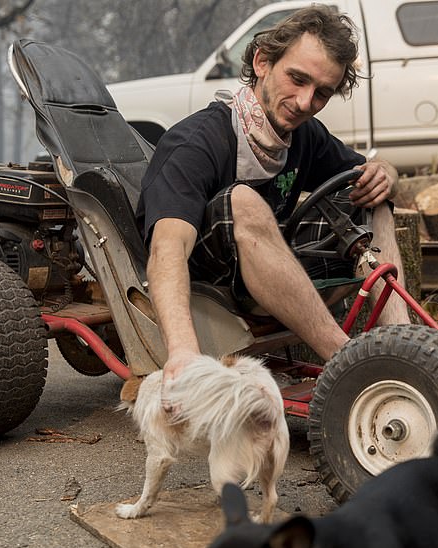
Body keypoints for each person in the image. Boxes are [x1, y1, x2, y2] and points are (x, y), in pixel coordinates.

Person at [135, 5, 410, 387]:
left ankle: (405, 342)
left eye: (321, 93)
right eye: (297, 79)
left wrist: (387, 175)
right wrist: (182, 351)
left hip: (270, 275)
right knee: (243, 200)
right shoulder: (196, 142)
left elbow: (368, 172)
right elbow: (167, 249)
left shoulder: (303, 135)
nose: (304, 103)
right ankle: (348, 361)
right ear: (262, 61)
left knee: (370, 198)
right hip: (210, 290)